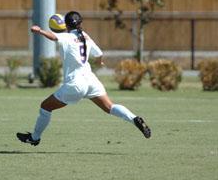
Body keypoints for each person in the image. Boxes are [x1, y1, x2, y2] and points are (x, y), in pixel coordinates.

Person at [17, 11, 151, 146]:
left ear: (66, 25)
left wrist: (39, 30)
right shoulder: (85, 36)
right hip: (91, 81)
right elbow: (99, 53)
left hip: (75, 84)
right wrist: (99, 62)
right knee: (110, 107)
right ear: (80, 23)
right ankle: (135, 119)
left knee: (45, 107)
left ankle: (35, 137)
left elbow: (53, 37)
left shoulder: (67, 37)